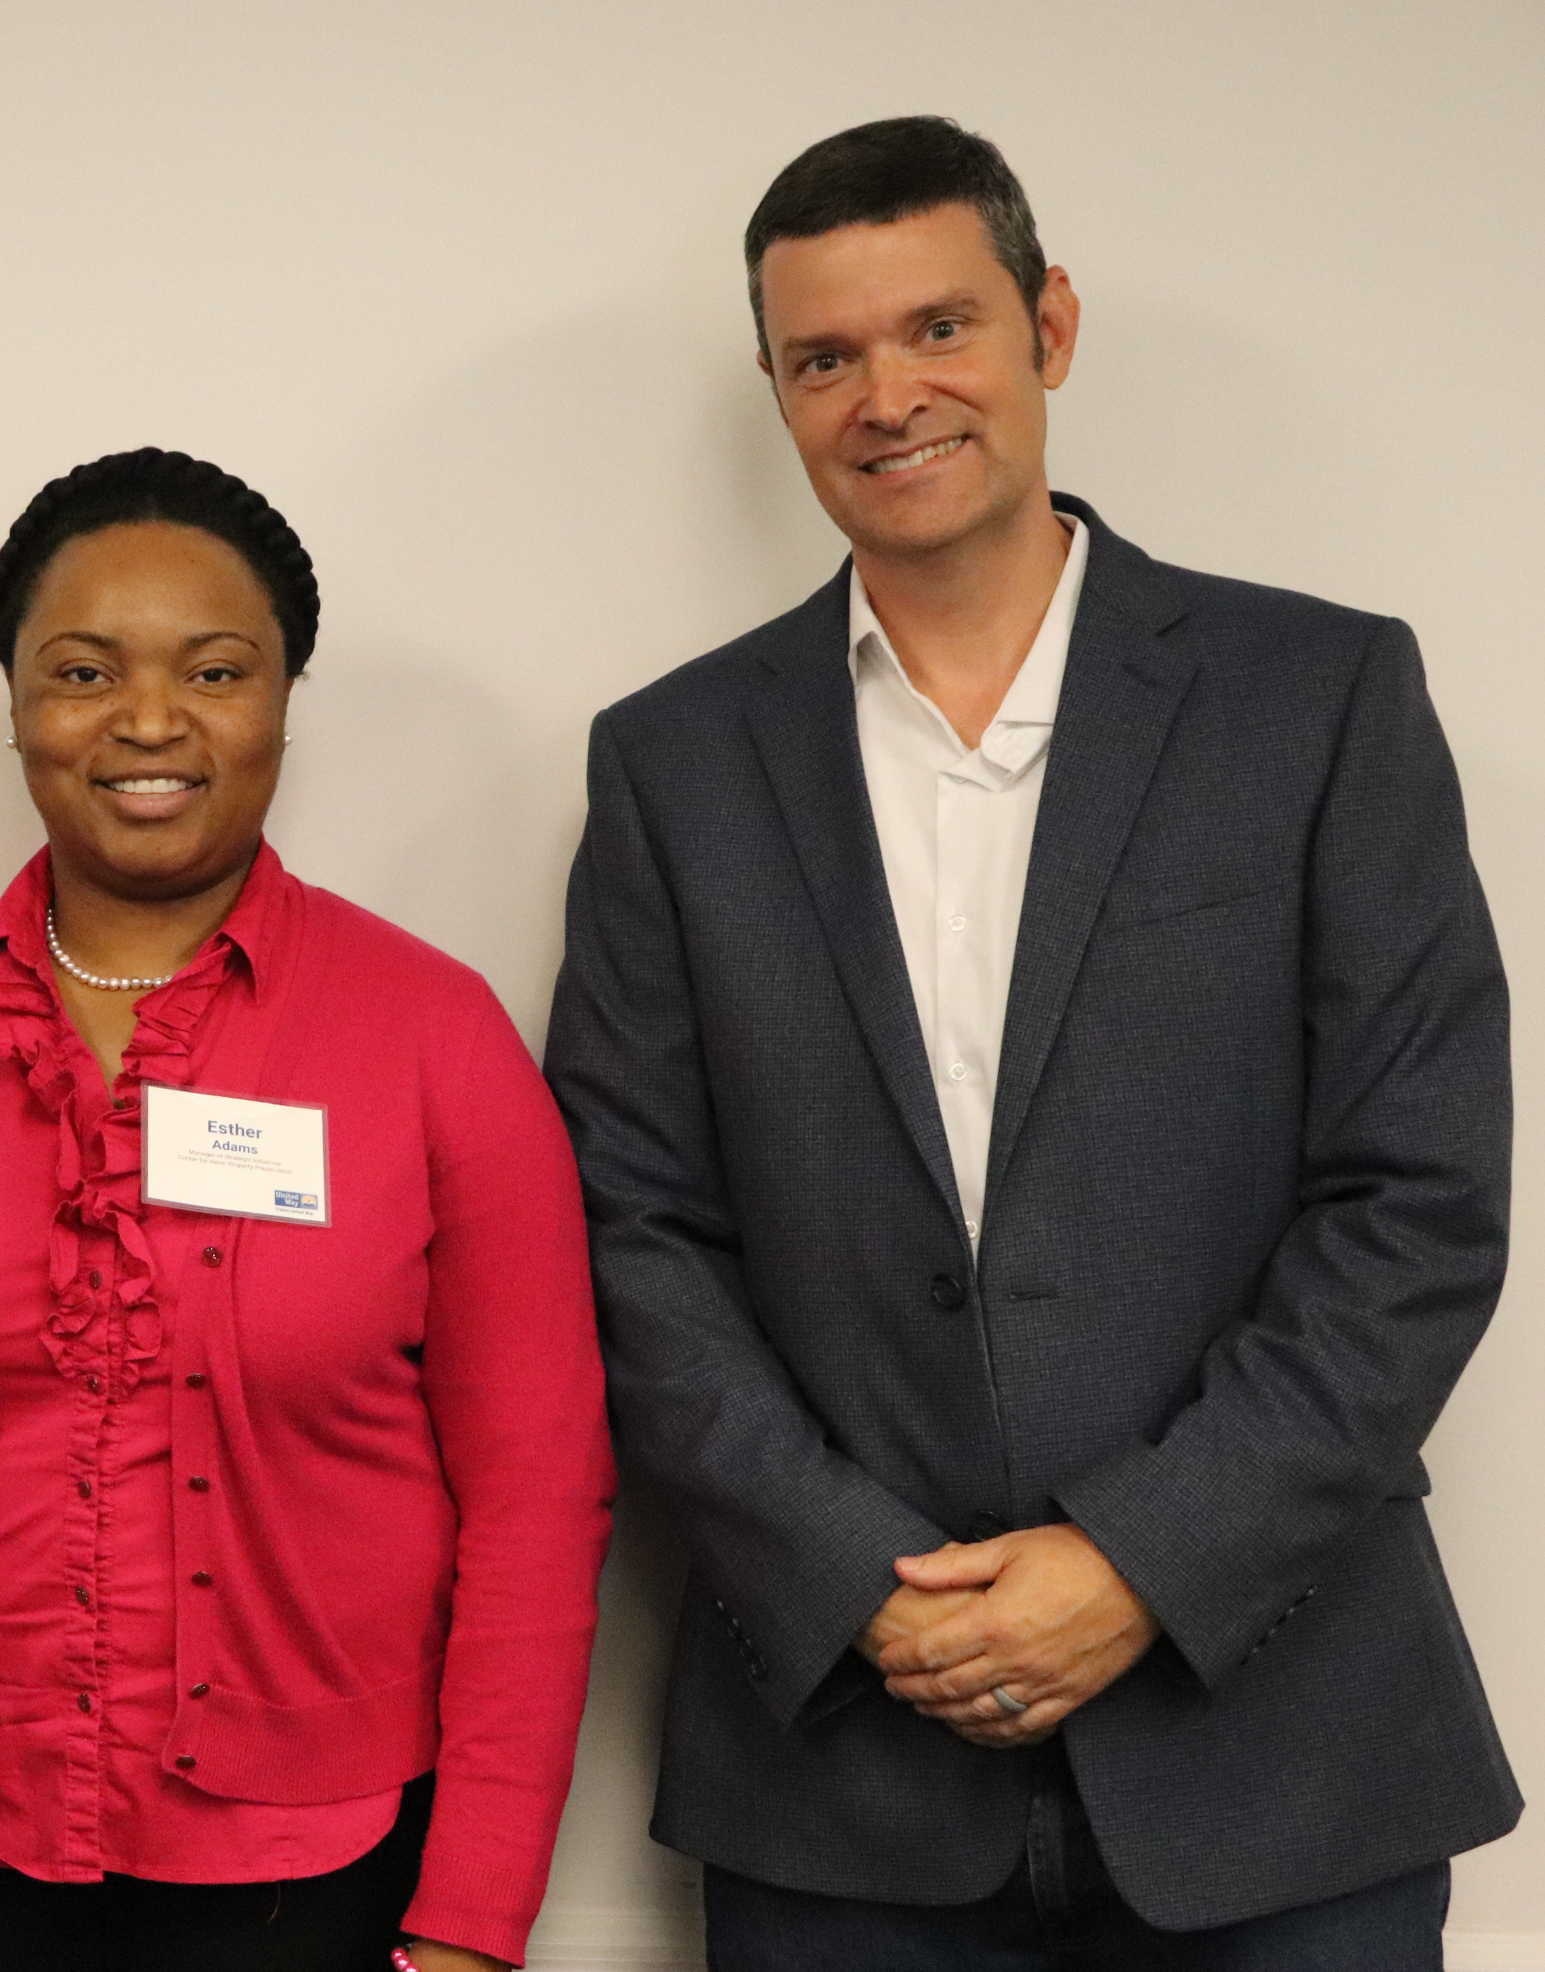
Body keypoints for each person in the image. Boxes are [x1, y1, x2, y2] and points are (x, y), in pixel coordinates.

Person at [544, 117, 1519, 1967]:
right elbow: (626, 1229)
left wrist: (1147, 1557)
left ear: (1049, 325)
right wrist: (857, 1583)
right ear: (776, 388)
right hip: (840, 1773)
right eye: (825, 357)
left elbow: (1419, 1199)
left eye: (939, 328)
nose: (887, 394)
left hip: (1284, 1759)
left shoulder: (1320, 698)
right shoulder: (673, 763)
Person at [0, 448, 614, 1972]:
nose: (146, 722)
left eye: (215, 669)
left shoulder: (431, 1038)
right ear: (12, 704)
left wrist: (471, 1926)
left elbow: (539, 1503)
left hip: (320, 1888)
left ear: (281, 700)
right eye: (81, 670)